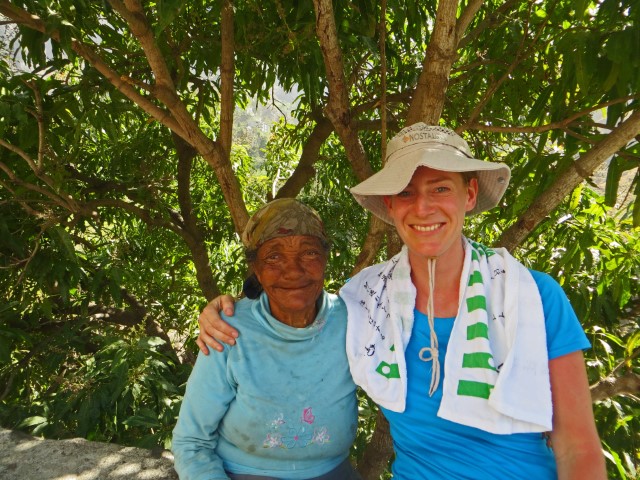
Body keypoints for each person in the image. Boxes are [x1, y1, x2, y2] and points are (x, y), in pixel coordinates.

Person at [197, 124, 606, 479]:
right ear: (390, 207)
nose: (423, 207)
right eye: (406, 193)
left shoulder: (532, 297)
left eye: (440, 187)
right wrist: (227, 308)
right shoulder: (365, 302)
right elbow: (295, 305)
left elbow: (578, 447)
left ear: (469, 195)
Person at [172, 198, 360, 480]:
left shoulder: (352, 320)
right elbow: (192, 442)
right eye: (274, 256)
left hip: (334, 472)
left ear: (325, 258)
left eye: (309, 253)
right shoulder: (228, 331)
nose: (294, 270)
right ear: (256, 270)